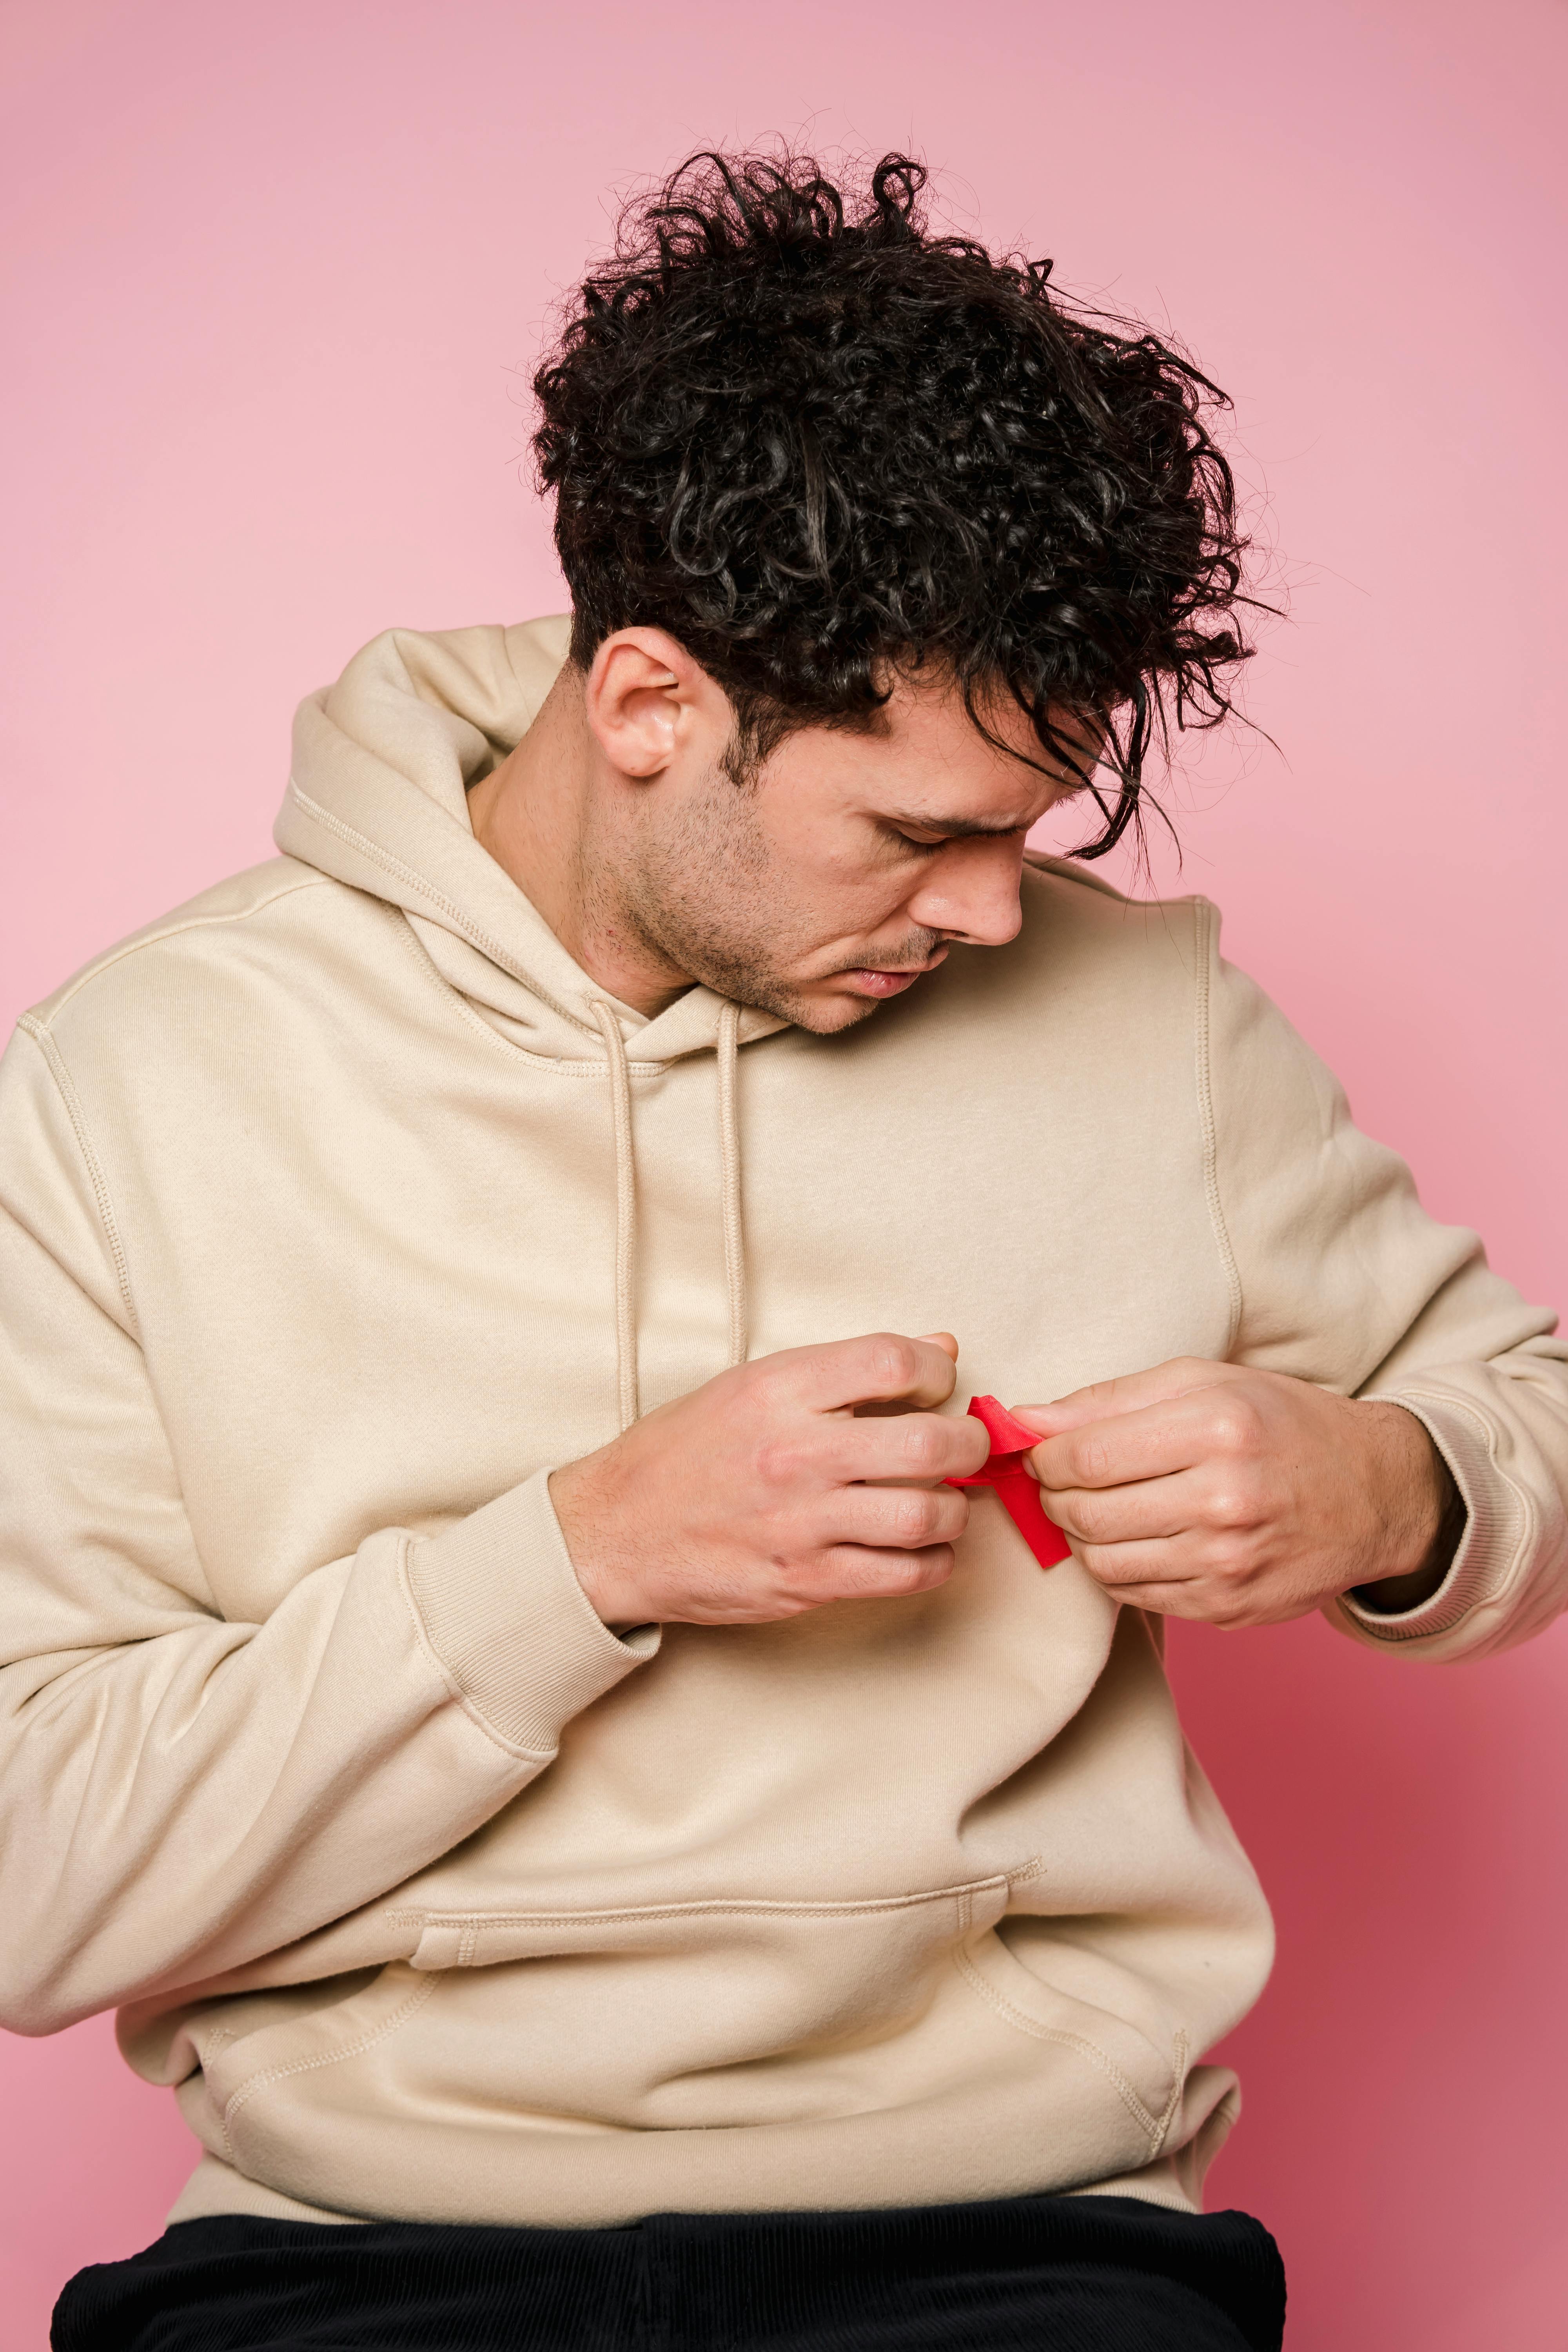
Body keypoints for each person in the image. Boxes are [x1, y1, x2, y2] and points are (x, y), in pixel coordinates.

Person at [6, 150, 1565, 2352]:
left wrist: (1387, 1488)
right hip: (354, 2252)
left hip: (1027, 2234)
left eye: (1032, 831)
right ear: (650, 707)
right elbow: (28, 1868)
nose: (1000, 917)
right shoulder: (123, 1089)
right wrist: (579, 1559)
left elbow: (1533, 1417)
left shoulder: (1148, 1023)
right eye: (924, 833)